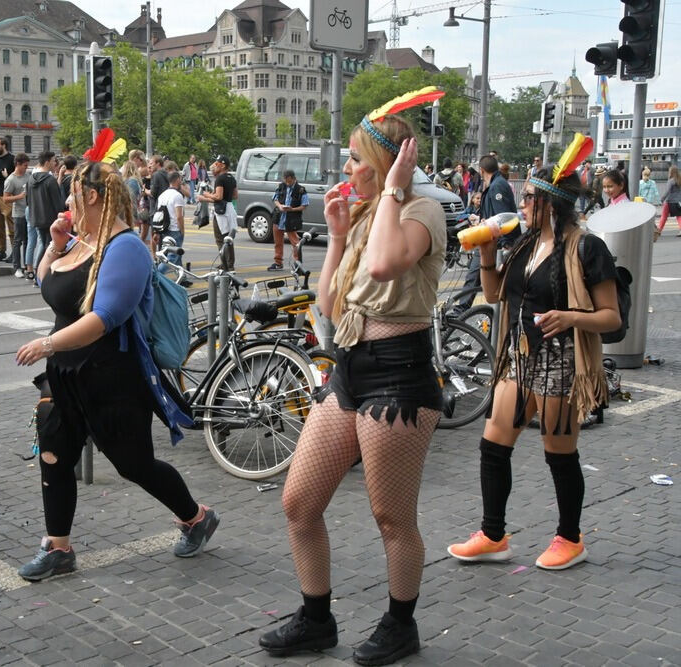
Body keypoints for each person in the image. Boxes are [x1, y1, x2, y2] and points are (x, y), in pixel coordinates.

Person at [259, 96, 446, 663]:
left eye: (357, 159)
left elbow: (387, 265)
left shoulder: (420, 212)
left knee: (392, 517)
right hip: (350, 370)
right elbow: (330, 305)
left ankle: (401, 625)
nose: (346, 168)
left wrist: (393, 191)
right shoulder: (367, 216)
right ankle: (316, 619)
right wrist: (338, 237)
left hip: (400, 376)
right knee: (299, 502)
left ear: (387, 164)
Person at [13, 158, 218, 582]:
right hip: (64, 375)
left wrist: (46, 344)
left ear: (92, 196)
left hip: (110, 379)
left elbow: (103, 318)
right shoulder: (81, 241)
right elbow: (48, 285)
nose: (67, 202)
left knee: (134, 465)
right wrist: (54, 245)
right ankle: (58, 548)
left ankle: (196, 517)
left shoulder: (126, 248)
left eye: (73, 194)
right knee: (54, 455)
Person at [447, 150, 621, 572]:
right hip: (520, 357)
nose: (521, 204)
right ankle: (493, 536)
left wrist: (571, 317)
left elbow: (611, 317)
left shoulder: (586, 248)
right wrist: (486, 254)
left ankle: (570, 539)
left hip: (562, 362)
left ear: (551, 203)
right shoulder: (525, 243)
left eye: (528, 197)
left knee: (559, 453)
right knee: (493, 445)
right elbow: (493, 294)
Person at [451, 154, 519, 315]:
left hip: (495, 241)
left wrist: (506, 244)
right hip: (490, 238)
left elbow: (503, 217)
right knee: (474, 275)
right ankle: (462, 309)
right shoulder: (496, 184)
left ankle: (461, 310)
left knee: (476, 275)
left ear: (481, 170)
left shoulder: (497, 186)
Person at [198, 155, 238, 271]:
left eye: (217, 163)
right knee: (228, 239)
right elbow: (235, 195)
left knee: (220, 239)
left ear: (223, 165)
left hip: (221, 212)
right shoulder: (231, 178)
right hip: (229, 208)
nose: (215, 165)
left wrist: (206, 195)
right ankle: (229, 264)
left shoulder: (220, 179)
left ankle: (226, 265)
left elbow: (219, 197)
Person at [27, 151, 63, 263]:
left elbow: (28, 200)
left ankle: (37, 268)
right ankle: (40, 269)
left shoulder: (30, 179)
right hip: (50, 219)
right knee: (50, 247)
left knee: (44, 244)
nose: (55, 163)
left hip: (36, 218)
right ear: (47, 162)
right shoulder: (50, 180)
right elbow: (58, 203)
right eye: (53, 161)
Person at [269, 169, 308, 271]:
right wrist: (280, 206)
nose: (287, 183)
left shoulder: (301, 190)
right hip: (279, 217)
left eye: (289, 181)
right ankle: (278, 263)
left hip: (292, 218)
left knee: (295, 243)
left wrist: (292, 209)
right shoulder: (281, 186)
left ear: (294, 179)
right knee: (277, 242)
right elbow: (275, 199)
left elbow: (304, 205)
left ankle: (298, 264)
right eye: (286, 181)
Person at [2, 152, 31, 277]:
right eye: (25, 165)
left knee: (27, 241)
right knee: (17, 240)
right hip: (18, 213)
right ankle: (17, 267)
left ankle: (27, 266)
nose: (26, 168)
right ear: (18, 164)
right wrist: (19, 196)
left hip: (29, 212)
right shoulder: (11, 180)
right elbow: (5, 199)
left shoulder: (28, 176)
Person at [155, 170, 186, 267]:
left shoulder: (162, 195)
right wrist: (182, 230)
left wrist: (157, 232)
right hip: (175, 229)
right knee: (172, 257)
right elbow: (179, 216)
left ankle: (181, 274)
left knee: (174, 256)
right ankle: (158, 274)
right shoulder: (177, 196)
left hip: (165, 228)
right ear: (178, 180)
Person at [656, 165, 681, 240]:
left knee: (664, 216)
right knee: (679, 216)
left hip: (669, 201)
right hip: (678, 202)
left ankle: (659, 230)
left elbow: (667, 192)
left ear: (671, 172)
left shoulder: (671, 181)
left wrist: (661, 199)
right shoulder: (679, 180)